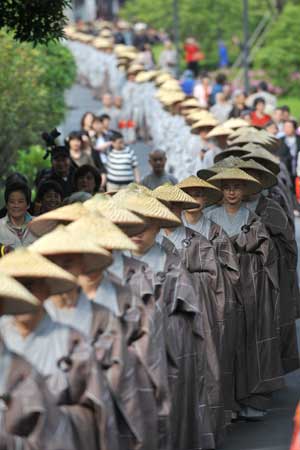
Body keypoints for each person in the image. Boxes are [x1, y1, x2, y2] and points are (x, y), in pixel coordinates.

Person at [206, 168, 284, 419]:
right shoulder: (210, 217)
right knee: (225, 339)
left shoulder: (253, 217)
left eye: (237, 187)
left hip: (250, 284)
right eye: (226, 186)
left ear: (244, 191)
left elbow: (267, 252)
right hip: (220, 282)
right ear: (220, 189)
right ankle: (226, 403)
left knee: (250, 337)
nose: (231, 192)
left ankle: (251, 398)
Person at [0, 181, 35, 249]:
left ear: (28, 205)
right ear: (6, 205)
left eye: (20, 202)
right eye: (12, 202)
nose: (16, 205)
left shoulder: (40, 224)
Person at [281, 119, 300, 185]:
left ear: (294, 128)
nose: (286, 129)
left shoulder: (298, 140)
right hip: (285, 172)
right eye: (285, 127)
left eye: (289, 127)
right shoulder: (279, 141)